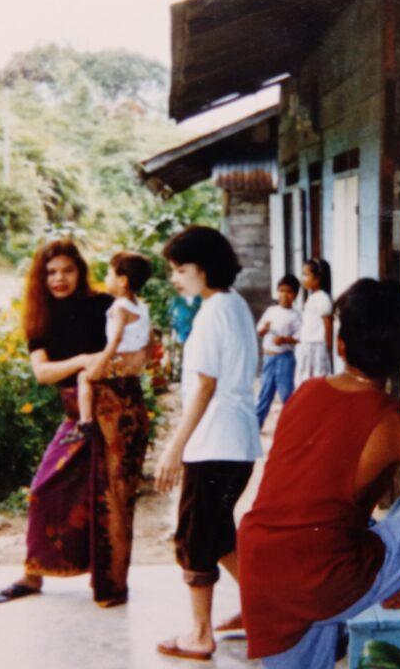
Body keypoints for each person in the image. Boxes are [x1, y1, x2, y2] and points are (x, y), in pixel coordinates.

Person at [238, 278, 400, 669]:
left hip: (263, 570)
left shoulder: (305, 394)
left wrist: (390, 574)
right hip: (324, 576)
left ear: (340, 345)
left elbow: (311, 496)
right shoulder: (399, 427)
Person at [0, 240, 149, 607]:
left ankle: (110, 587)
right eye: (51, 272)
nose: (59, 278)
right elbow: (43, 373)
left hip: (120, 410)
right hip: (79, 413)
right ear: (41, 278)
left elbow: (140, 353)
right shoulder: (40, 319)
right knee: (45, 488)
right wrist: (85, 361)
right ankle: (33, 574)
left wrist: (108, 367)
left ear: (80, 271)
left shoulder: (106, 305)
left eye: (67, 270)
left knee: (112, 500)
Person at [155, 226, 261, 661]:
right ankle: (261, 609)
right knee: (218, 536)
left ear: (205, 267)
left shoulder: (213, 311)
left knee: (196, 537)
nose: (176, 279)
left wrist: (173, 446)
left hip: (214, 442)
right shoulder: (233, 305)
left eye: (181, 269)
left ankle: (199, 634)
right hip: (235, 441)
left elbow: (204, 386)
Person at [73, 251, 152, 428]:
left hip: (120, 359)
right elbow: (150, 335)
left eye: (109, 274)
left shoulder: (120, 308)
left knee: (83, 376)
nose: (106, 278)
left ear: (122, 281)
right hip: (134, 362)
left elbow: (115, 341)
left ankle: (85, 421)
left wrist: (101, 363)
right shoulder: (140, 306)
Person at [254, 273, 301, 428]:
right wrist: (265, 329)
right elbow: (259, 331)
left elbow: (299, 337)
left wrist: (285, 339)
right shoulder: (271, 311)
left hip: (285, 358)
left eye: (289, 291)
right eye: (281, 291)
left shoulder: (296, 316)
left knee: (286, 394)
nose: (284, 295)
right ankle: (256, 425)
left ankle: (292, 426)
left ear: (295, 295)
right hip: (269, 357)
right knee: (265, 393)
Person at [295, 257, 333, 386]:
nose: (303, 278)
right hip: (308, 344)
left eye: (306, 274)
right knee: (306, 377)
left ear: (318, 278)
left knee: (318, 377)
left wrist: (329, 349)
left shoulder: (322, 298)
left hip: (317, 346)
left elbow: (328, 324)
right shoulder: (312, 297)